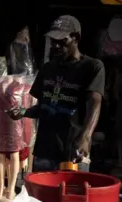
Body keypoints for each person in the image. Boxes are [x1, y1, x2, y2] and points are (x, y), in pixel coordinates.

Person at [8, 15, 105, 172]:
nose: (57, 46)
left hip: (74, 149)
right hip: (44, 150)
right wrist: (24, 112)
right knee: (40, 196)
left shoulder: (92, 67)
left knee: (72, 195)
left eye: (62, 41)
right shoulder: (48, 68)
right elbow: (45, 107)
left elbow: (95, 102)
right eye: (54, 41)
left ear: (76, 38)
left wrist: (86, 137)